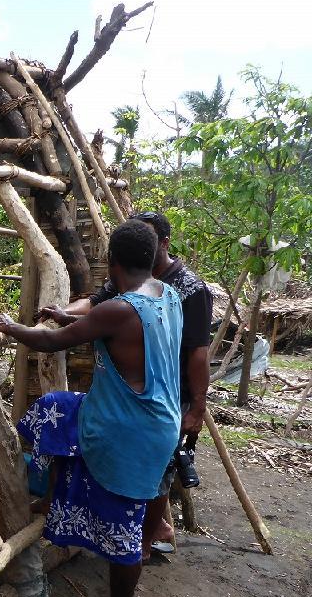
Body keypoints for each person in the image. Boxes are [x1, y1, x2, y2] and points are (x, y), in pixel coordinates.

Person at [0, 220, 182, 597]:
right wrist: (65, 315)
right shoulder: (166, 294)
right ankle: (55, 493)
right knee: (54, 409)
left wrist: (8, 326)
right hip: (155, 420)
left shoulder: (120, 309)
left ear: (112, 262)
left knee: (124, 528)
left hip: (129, 429)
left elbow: (50, 341)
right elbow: (96, 325)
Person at [36, 211, 212, 557]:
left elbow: (198, 354)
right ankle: (117, 528)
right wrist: (66, 314)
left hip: (167, 398)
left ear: (163, 244)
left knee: (154, 475)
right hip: (131, 400)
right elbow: (96, 306)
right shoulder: (142, 285)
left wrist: (197, 405)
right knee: (140, 467)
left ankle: (142, 542)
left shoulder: (188, 289)